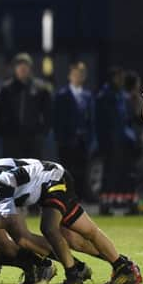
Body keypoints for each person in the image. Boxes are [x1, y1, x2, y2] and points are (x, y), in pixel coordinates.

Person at [0, 160, 142, 284]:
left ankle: (74, 274)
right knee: (79, 236)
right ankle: (123, 266)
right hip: (49, 184)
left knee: (49, 228)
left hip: (53, 179)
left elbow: (9, 220)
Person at [96, 67, 138, 214]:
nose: (121, 81)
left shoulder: (121, 96)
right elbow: (102, 122)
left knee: (126, 174)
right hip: (112, 142)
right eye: (119, 77)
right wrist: (103, 142)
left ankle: (128, 205)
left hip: (123, 141)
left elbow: (127, 120)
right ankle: (105, 205)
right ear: (113, 78)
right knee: (109, 175)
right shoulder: (105, 96)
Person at [53, 62, 95, 200]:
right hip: (67, 140)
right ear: (70, 76)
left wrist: (89, 137)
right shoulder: (62, 95)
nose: (78, 77)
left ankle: (80, 196)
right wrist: (60, 137)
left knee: (82, 170)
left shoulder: (87, 96)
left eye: (81, 74)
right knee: (66, 169)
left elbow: (90, 119)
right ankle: (66, 196)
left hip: (82, 140)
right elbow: (57, 118)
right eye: (75, 74)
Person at [0, 53, 52, 158]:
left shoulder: (41, 88)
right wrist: (3, 131)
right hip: (12, 138)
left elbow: (48, 112)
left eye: (25, 67)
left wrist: (43, 132)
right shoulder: (6, 89)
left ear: (30, 68)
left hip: (34, 137)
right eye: (19, 66)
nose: (22, 69)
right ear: (15, 69)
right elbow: (0, 112)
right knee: (13, 169)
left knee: (33, 168)